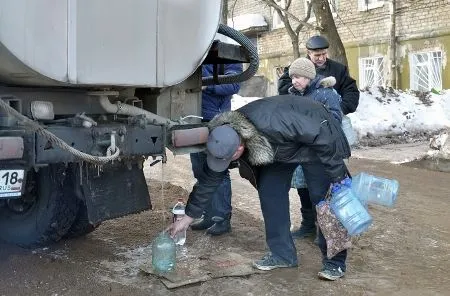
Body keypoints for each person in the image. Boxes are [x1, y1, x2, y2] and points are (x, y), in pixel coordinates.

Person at [167, 94, 352, 280]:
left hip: (317, 140)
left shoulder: (273, 124)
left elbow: (323, 136)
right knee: (270, 193)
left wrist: (337, 176)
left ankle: (335, 263)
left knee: (325, 201)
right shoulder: (223, 136)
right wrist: (188, 217)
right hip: (280, 147)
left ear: (240, 148)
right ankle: (282, 255)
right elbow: (209, 180)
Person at [278, 35, 359, 240]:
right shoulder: (296, 70)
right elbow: (284, 93)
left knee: (327, 186)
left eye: (324, 54)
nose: (321, 58)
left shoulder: (337, 70)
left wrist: (338, 109)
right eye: (317, 55)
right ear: (309, 54)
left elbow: (351, 92)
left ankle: (329, 231)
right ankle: (308, 223)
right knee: (303, 183)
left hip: (327, 137)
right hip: (303, 142)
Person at [189, 63, 243, 236]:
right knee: (200, 170)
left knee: (218, 171)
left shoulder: (226, 52)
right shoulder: (194, 50)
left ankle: (221, 218)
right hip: (193, 119)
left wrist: (206, 85)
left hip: (216, 120)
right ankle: (209, 215)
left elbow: (234, 84)